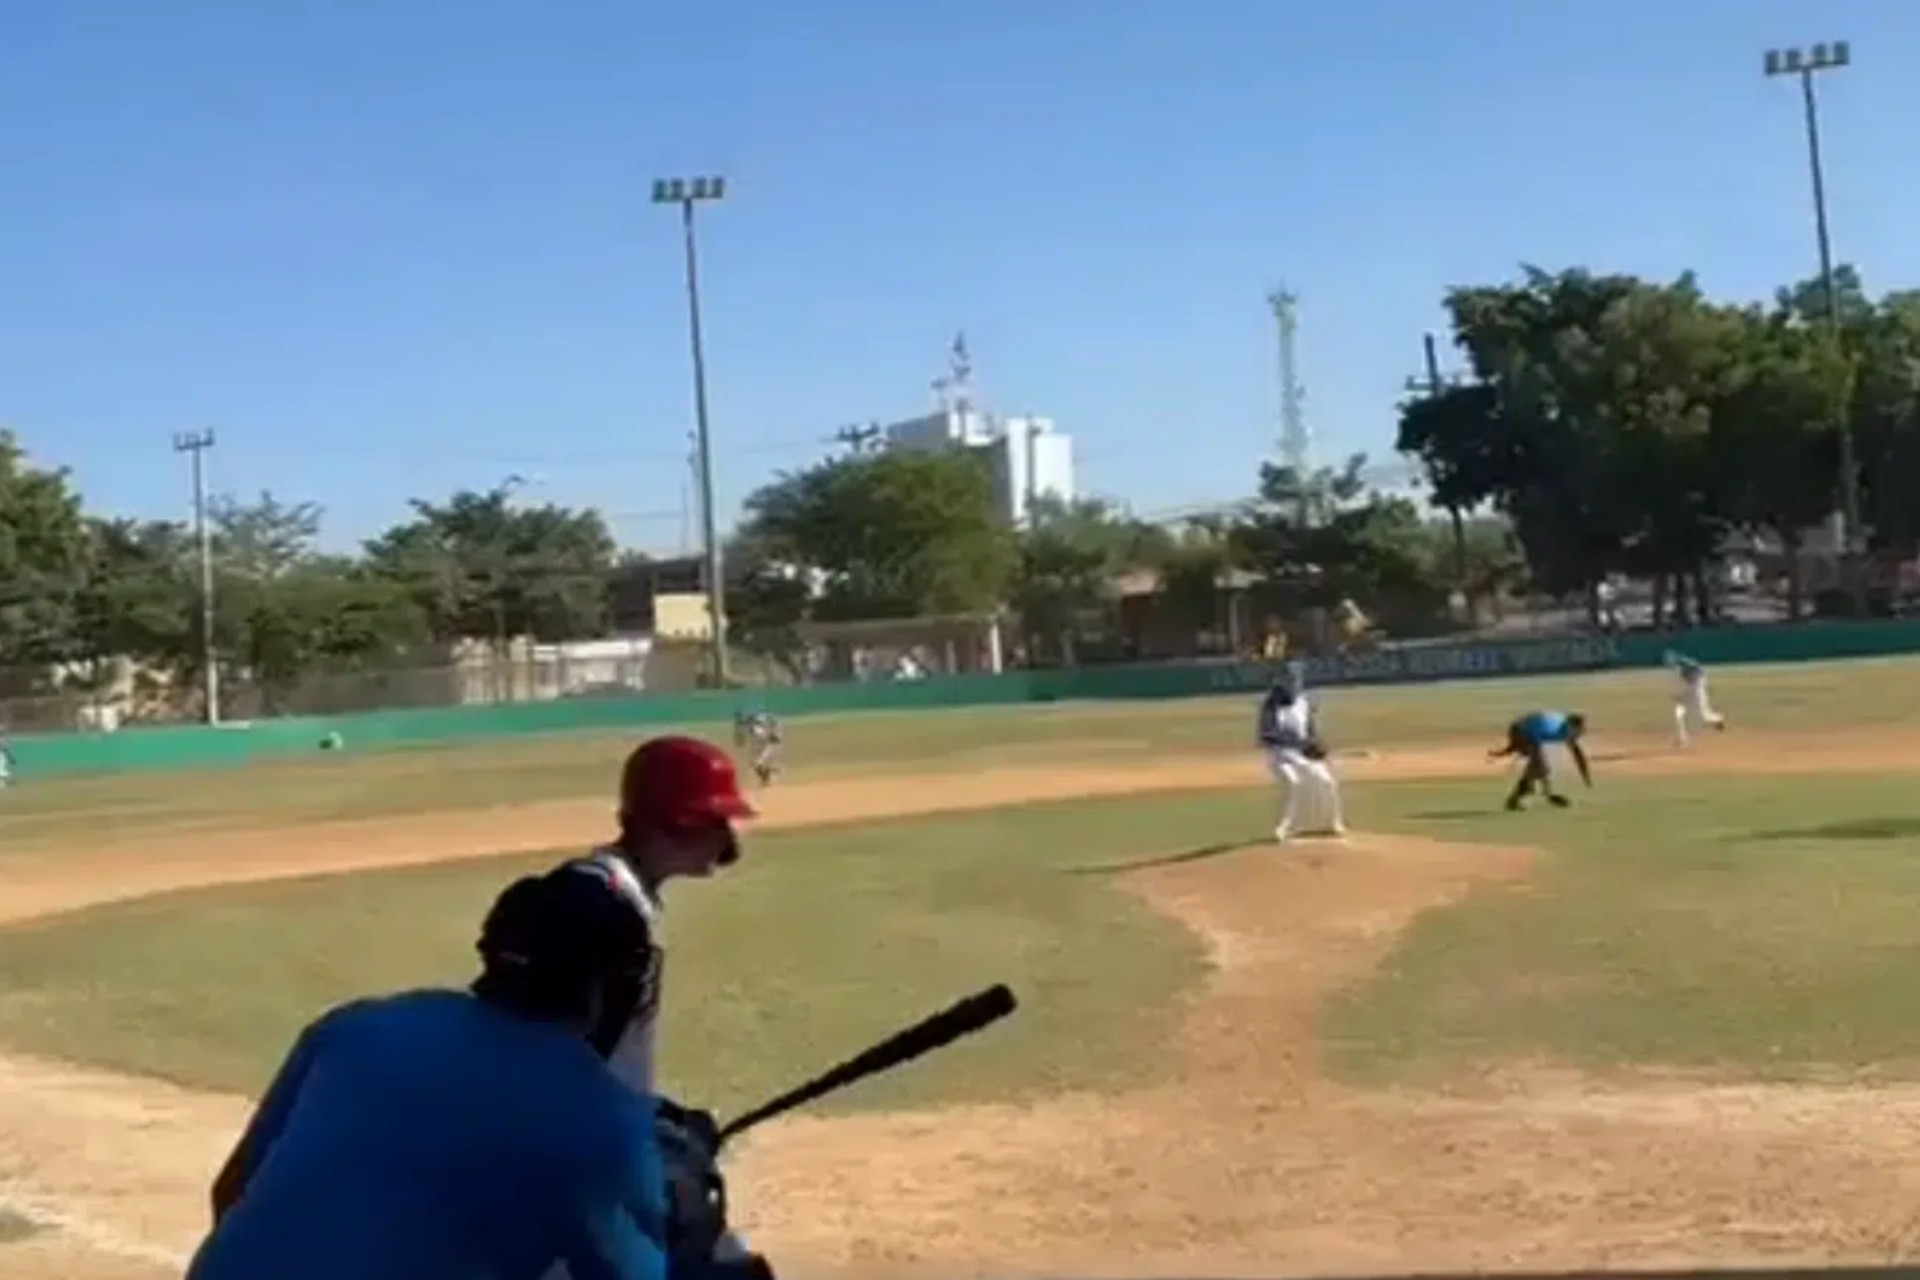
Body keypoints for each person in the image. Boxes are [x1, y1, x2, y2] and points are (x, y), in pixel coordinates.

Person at [187, 869, 678, 1280]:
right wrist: (681, 1207)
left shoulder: (356, 1027)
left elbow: (230, 1193)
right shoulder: (604, 1117)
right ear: (611, 987)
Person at [1256, 676, 1345, 841]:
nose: (1290, 693)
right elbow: (1267, 735)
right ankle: (1283, 828)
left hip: (1302, 753)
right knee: (1293, 782)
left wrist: (1317, 745)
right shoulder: (1270, 706)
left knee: (1327, 782)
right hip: (1279, 755)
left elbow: (1310, 729)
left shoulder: (1303, 703)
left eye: (1292, 689)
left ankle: (1333, 823)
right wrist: (1299, 742)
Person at [1490, 710, 1593, 811]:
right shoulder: (1551, 729)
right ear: (1571, 727)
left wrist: (1586, 778)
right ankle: (1529, 793)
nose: (1578, 736)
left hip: (1530, 730)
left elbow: (1578, 754)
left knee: (1535, 770)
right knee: (1539, 767)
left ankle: (1519, 797)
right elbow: (1536, 751)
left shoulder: (1567, 731)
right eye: (1578, 732)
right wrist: (1548, 790)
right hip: (1520, 731)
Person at [1665, 650, 1727, 746]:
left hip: (1697, 689)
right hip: (1692, 689)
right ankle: (1682, 738)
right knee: (1679, 711)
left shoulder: (1685, 664)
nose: (1669, 663)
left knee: (1704, 716)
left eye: (1670, 660)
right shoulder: (1681, 668)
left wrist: (1682, 694)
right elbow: (1687, 682)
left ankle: (1718, 719)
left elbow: (1700, 671)